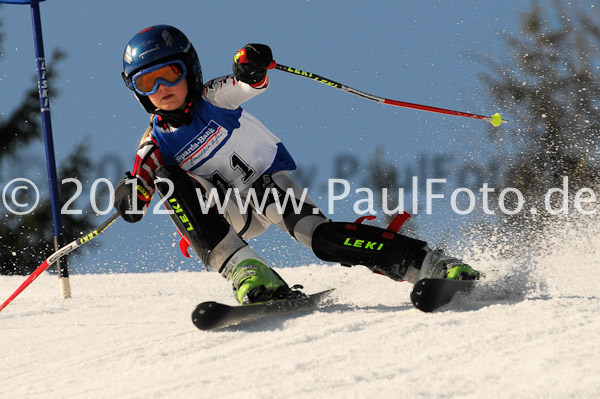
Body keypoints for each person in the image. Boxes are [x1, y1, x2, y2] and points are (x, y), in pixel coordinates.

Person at [114, 25, 480, 305]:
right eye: (147, 82)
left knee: (319, 237)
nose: (162, 87)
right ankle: (248, 272)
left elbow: (247, 85)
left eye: (170, 74)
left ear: (189, 71)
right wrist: (131, 194)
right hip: (229, 213)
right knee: (163, 175)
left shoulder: (212, 98)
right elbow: (141, 180)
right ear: (138, 92)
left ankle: (430, 264)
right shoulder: (155, 143)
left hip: (268, 185)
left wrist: (250, 65)